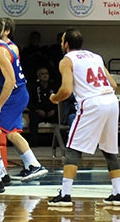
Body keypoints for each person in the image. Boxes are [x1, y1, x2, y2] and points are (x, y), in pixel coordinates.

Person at [48, 28, 120, 207]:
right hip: (111, 100)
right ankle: (118, 193)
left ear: (66, 44)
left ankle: (65, 195)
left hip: (92, 103)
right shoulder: (96, 56)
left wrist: (54, 98)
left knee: (73, 148)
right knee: (110, 150)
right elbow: (113, 84)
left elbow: (66, 90)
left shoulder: (66, 60)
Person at [0, 18, 47, 194]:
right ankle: (4, 173)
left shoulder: (1, 51)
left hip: (14, 96)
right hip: (12, 96)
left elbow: (11, 81)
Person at [27, 67, 57, 147]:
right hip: (38, 112)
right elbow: (29, 102)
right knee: (33, 117)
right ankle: (33, 143)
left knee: (59, 118)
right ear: (38, 76)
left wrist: (54, 110)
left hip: (52, 112)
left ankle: (61, 143)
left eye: (46, 73)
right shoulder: (33, 87)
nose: (45, 76)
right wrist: (37, 110)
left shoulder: (53, 86)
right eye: (42, 74)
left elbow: (58, 100)